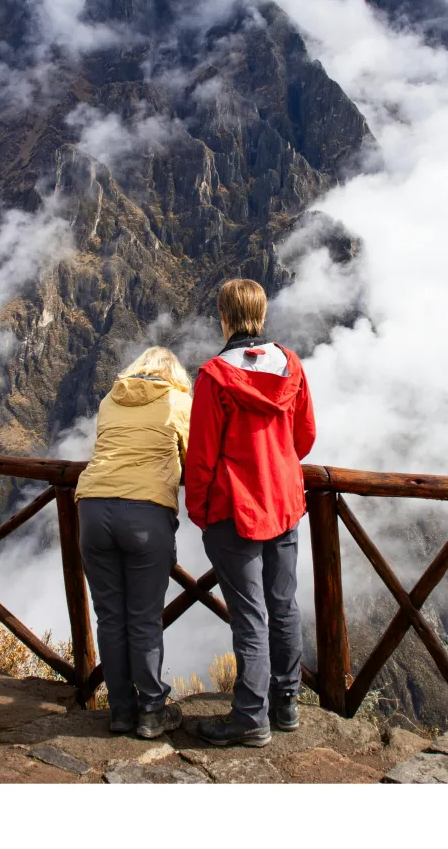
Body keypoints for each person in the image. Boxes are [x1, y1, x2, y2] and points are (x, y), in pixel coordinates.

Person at [185, 278, 316, 747]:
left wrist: (200, 510)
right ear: (260, 314)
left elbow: (200, 455)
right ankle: (286, 706)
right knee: (282, 607)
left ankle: (249, 719)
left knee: (250, 616)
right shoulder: (291, 366)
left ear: (224, 316)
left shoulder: (215, 376)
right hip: (285, 503)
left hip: (234, 509)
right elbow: (304, 437)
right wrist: (278, 464)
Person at [75, 346, 192, 739]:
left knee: (110, 616)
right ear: (174, 374)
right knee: (143, 618)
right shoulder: (178, 401)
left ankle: (121, 710)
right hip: (144, 514)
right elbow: (192, 459)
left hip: (92, 509)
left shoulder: (110, 399)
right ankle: (152, 710)